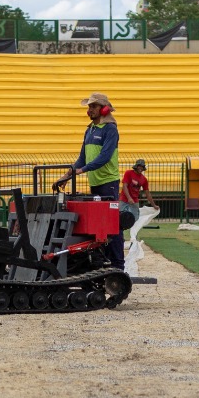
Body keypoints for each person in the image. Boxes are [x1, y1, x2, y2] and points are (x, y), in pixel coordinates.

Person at [53, 93, 125, 267]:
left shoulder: (110, 129)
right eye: (89, 107)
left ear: (104, 109)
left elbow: (105, 157)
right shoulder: (90, 129)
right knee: (97, 225)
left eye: (93, 107)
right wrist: (65, 177)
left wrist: (81, 170)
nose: (89, 110)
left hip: (108, 183)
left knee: (112, 224)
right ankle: (102, 261)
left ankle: (117, 264)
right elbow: (82, 159)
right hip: (95, 183)